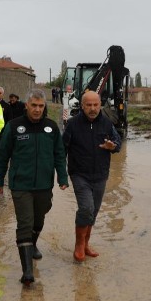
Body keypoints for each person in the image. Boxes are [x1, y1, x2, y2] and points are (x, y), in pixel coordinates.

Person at [0, 89, 69, 286]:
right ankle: (27, 271)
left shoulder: (51, 127)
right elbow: (2, 155)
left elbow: (59, 155)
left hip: (44, 184)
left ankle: (33, 244)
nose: (37, 110)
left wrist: (62, 177)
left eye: (41, 106)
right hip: (21, 185)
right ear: (26, 105)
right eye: (33, 105)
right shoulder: (14, 127)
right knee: (25, 223)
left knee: (39, 219)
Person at [62, 91, 121, 262]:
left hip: (101, 174)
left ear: (100, 105)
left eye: (96, 105)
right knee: (86, 208)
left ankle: (86, 244)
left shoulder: (107, 123)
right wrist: (61, 174)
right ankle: (79, 245)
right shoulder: (72, 124)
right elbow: (61, 148)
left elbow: (118, 143)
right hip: (79, 174)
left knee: (93, 212)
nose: (93, 108)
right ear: (82, 106)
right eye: (89, 105)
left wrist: (113, 146)